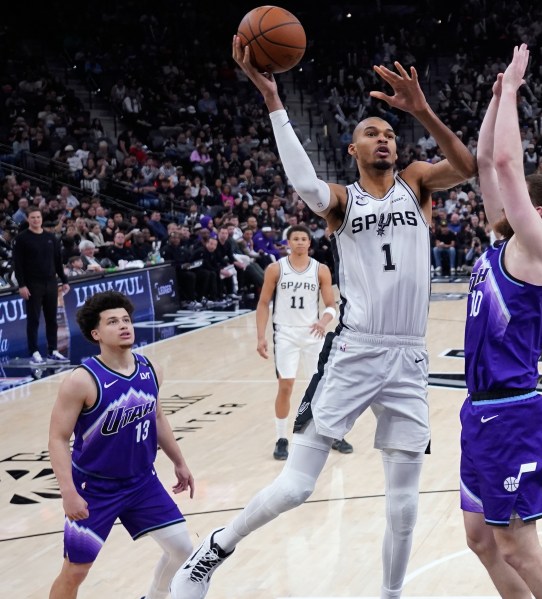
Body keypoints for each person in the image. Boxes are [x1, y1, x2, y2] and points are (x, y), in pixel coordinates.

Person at [170, 36, 476, 599]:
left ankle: (390, 595)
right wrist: (273, 99)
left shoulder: (417, 183)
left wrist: (422, 111)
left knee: (404, 505)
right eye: (372, 133)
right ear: (353, 149)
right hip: (356, 348)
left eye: (389, 134)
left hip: (409, 356)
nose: (383, 139)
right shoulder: (341, 201)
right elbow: (305, 184)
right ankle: (214, 549)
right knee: (295, 488)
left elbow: (468, 166)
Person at [461, 45, 542, 599]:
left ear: (537, 212)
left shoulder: (535, 250)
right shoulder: (500, 242)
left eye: (518, 197)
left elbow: (506, 163)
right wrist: (494, 99)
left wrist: (513, 92)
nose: (504, 196)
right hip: (479, 410)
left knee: (518, 547)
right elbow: (485, 163)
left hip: (513, 413)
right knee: (481, 539)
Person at [47, 291, 194, 599]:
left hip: (142, 482)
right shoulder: (82, 380)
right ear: (96, 334)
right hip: (94, 488)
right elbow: (58, 438)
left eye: (126, 319)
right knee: (75, 572)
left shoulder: (151, 369)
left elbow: (157, 416)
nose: (124, 326)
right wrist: (68, 493)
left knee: (182, 548)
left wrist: (179, 461)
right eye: (113, 322)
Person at [255, 224, 338, 460]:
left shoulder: (320, 269)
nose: (300, 242)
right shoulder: (275, 269)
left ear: (309, 243)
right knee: (286, 386)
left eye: (304, 238)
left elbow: (331, 305)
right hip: (285, 334)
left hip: (313, 334)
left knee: (320, 387)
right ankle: (281, 438)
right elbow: (263, 303)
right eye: (296, 238)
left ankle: (330, 434)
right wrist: (260, 337)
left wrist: (323, 321)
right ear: (288, 243)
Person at [12, 206, 70, 364]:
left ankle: (53, 350)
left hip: (51, 283)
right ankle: (34, 352)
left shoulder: (51, 237)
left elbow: (57, 261)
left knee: (52, 319)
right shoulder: (22, 239)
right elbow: (18, 264)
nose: (36, 220)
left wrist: (64, 280)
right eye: (33, 217)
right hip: (32, 284)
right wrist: (22, 285)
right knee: (34, 320)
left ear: (42, 218)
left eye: (38, 217)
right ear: (27, 219)